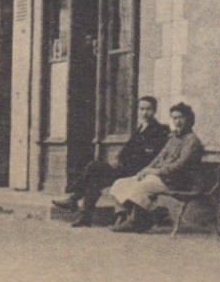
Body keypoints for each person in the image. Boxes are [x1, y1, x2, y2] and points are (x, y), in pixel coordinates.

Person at [52, 95, 170, 227]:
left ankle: (73, 198)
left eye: (148, 109)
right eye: (142, 109)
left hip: (138, 171)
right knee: (95, 180)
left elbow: (149, 156)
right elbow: (127, 150)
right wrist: (118, 160)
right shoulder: (140, 128)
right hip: (124, 168)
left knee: (93, 166)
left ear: (155, 110)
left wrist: (122, 163)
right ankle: (85, 217)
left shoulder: (160, 130)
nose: (145, 112)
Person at [107, 102, 205, 233]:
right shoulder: (173, 138)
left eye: (181, 117)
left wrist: (154, 171)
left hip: (177, 181)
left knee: (140, 187)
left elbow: (179, 166)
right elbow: (158, 158)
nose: (177, 121)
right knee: (120, 184)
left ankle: (136, 221)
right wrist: (144, 170)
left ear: (189, 119)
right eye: (174, 118)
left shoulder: (192, 141)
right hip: (162, 177)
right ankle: (153, 213)